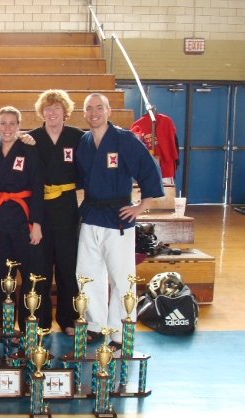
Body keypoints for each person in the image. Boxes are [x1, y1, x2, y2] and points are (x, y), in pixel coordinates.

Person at [75, 93, 164, 347]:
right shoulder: (84, 141)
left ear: (109, 110)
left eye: (99, 108)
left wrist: (141, 206)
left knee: (121, 277)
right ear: (84, 113)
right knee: (88, 274)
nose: (94, 112)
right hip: (91, 215)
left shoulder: (125, 139)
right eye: (89, 108)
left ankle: (119, 331)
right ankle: (95, 325)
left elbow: (148, 169)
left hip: (118, 218)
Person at [29, 89, 84, 334]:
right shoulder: (31, 139)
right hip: (40, 209)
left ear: (65, 112)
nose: (52, 113)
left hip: (67, 209)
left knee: (66, 267)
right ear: (42, 112)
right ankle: (41, 320)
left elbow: (85, 174)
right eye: (48, 109)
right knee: (40, 268)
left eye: (57, 108)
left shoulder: (78, 138)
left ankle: (68, 319)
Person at [0, 106, 44, 332]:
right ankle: (6, 325)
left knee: (29, 273)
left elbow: (38, 188)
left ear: (19, 126)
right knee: (2, 273)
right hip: (0, 219)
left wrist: (37, 224)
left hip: (24, 218)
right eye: (3, 123)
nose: (7, 128)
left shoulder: (29, 150)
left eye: (12, 123)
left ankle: (28, 325)